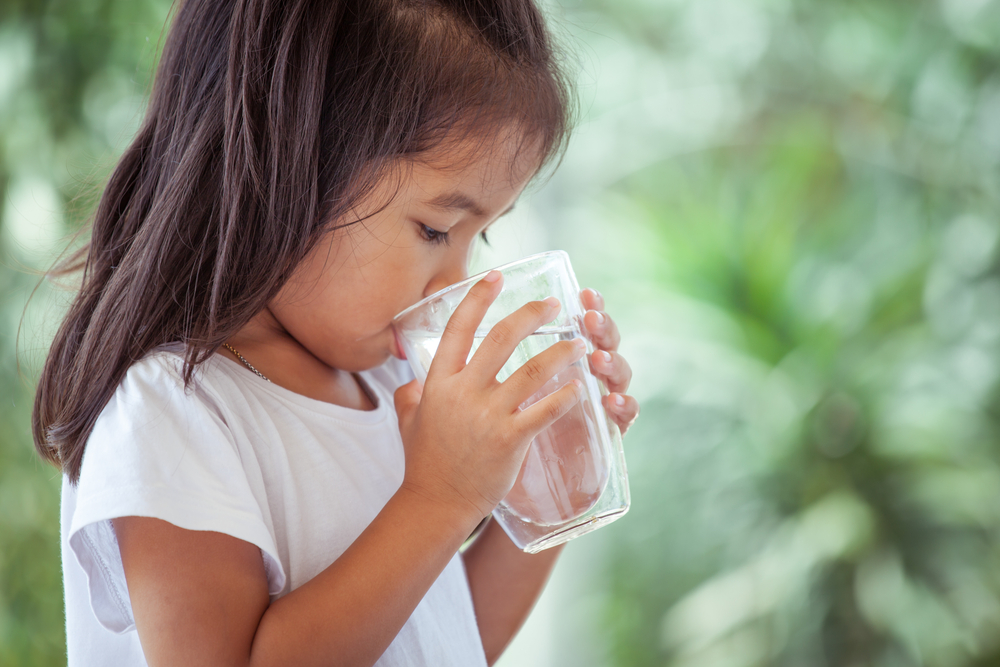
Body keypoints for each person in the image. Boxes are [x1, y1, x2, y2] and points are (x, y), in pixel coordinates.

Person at [32, 0, 640, 665]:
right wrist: (439, 499)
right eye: (436, 229)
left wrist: (562, 486)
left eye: (481, 233)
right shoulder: (175, 409)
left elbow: (443, 637)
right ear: (283, 160)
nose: (454, 281)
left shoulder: (388, 381)